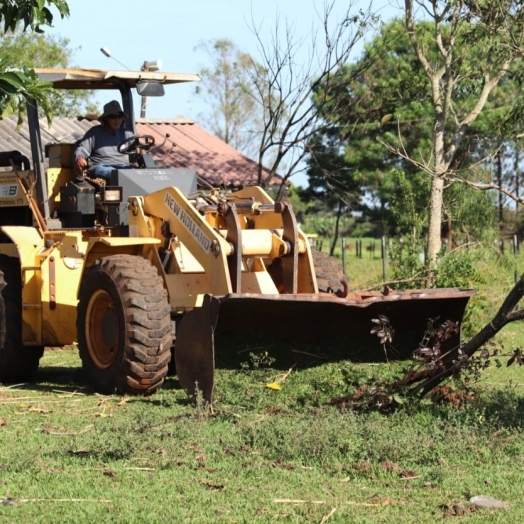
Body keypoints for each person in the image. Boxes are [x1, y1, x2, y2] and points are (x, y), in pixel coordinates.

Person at [74, 100, 135, 182]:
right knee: (115, 174)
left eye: (119, 116)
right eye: (113, 117)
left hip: (122, 166)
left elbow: (137, 146)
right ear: (106, 118)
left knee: (138, 174)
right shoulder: (95, 133)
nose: (117, 120)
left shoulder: (126, 133)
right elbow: (82, 149)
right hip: (101, 166)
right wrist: (80, 157)